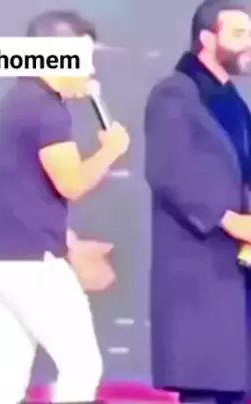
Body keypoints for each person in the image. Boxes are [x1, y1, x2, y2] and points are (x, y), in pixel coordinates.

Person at [0, 10, 130, 404]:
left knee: (6, 382)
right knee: (82, 366)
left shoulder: (16, 103)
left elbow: (24, 193)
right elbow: (71, 183)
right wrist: (110, 150)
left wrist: (70, 241)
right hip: (33, 265)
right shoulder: (46, 109)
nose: (91, 70)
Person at [145, 0, 251, 403]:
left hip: (235, 271)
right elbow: (169, 171)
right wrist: (229, 219)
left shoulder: (231, 101)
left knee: (232, 384)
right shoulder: (174, 95)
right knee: (206, 384)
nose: (248, 43)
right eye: (238, 34)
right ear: (207, 38)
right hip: (198, 269)